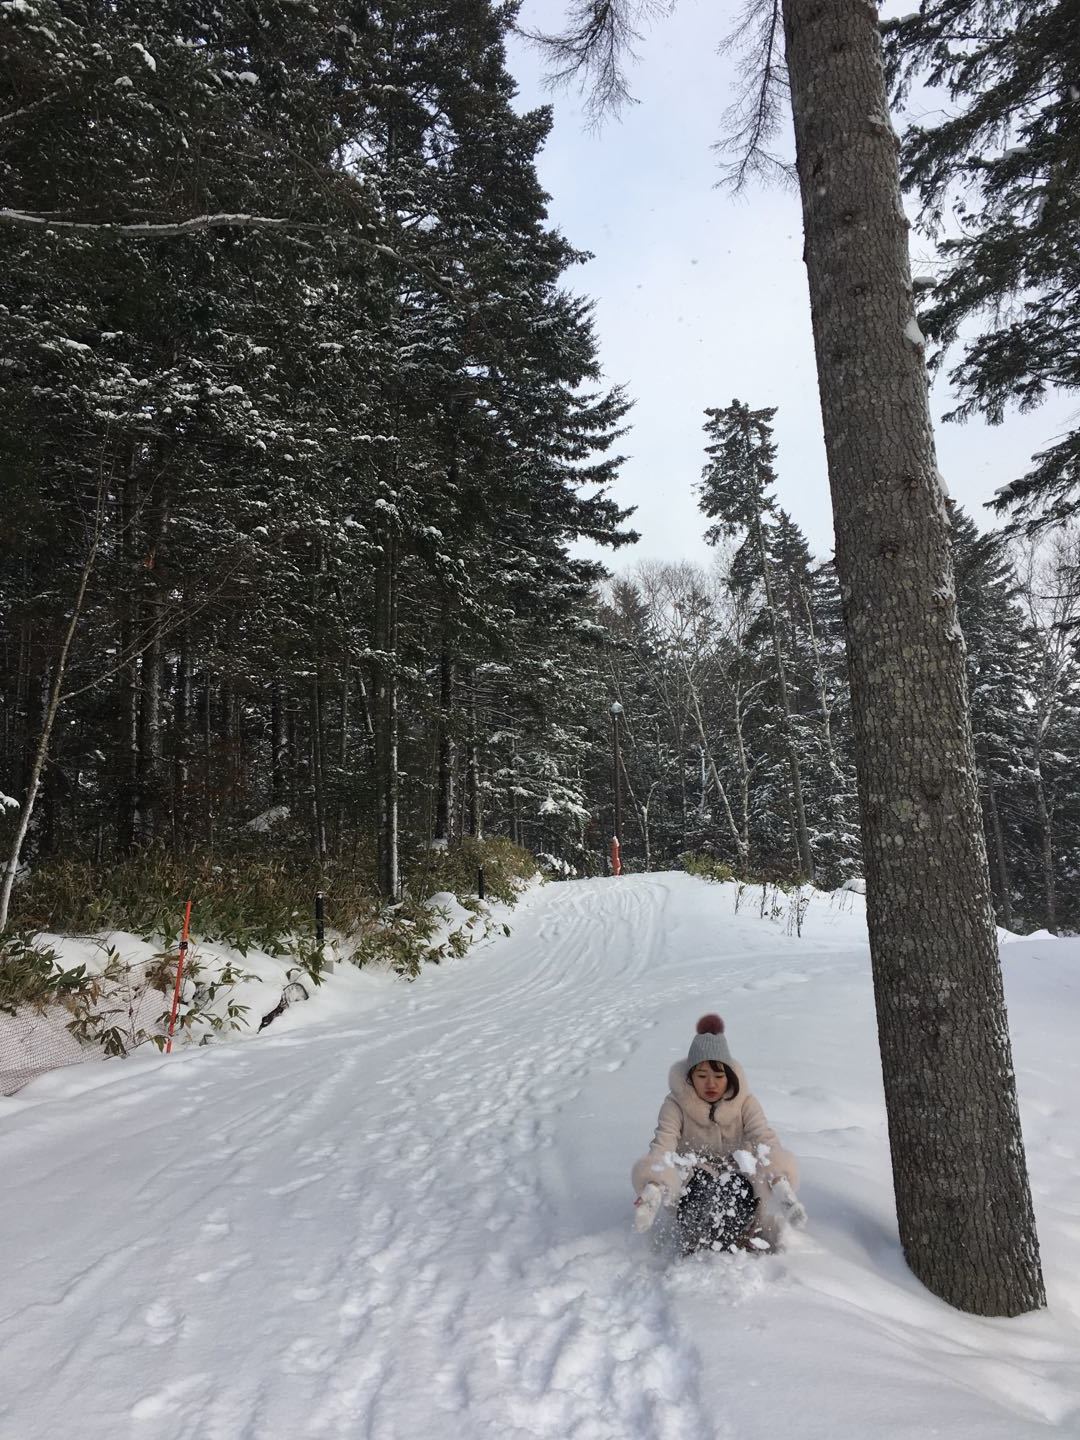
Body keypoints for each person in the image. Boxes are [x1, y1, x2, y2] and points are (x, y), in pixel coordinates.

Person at [631, 1014, 806, 1253]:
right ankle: (698, 1243)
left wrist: (780, 1182)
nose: (710, 1084)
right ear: (690, 1077)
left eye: (718, 1076)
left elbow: (764, 1139)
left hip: (738, 1177)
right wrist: (653, 1188)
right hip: (694, 1179)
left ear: (730, 1076)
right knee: (701, 1190)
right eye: (702, 1076)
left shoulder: (745, 1104)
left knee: (735, 1188)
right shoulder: (675, 1106)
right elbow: (664, 1145)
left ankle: (741, 1240)